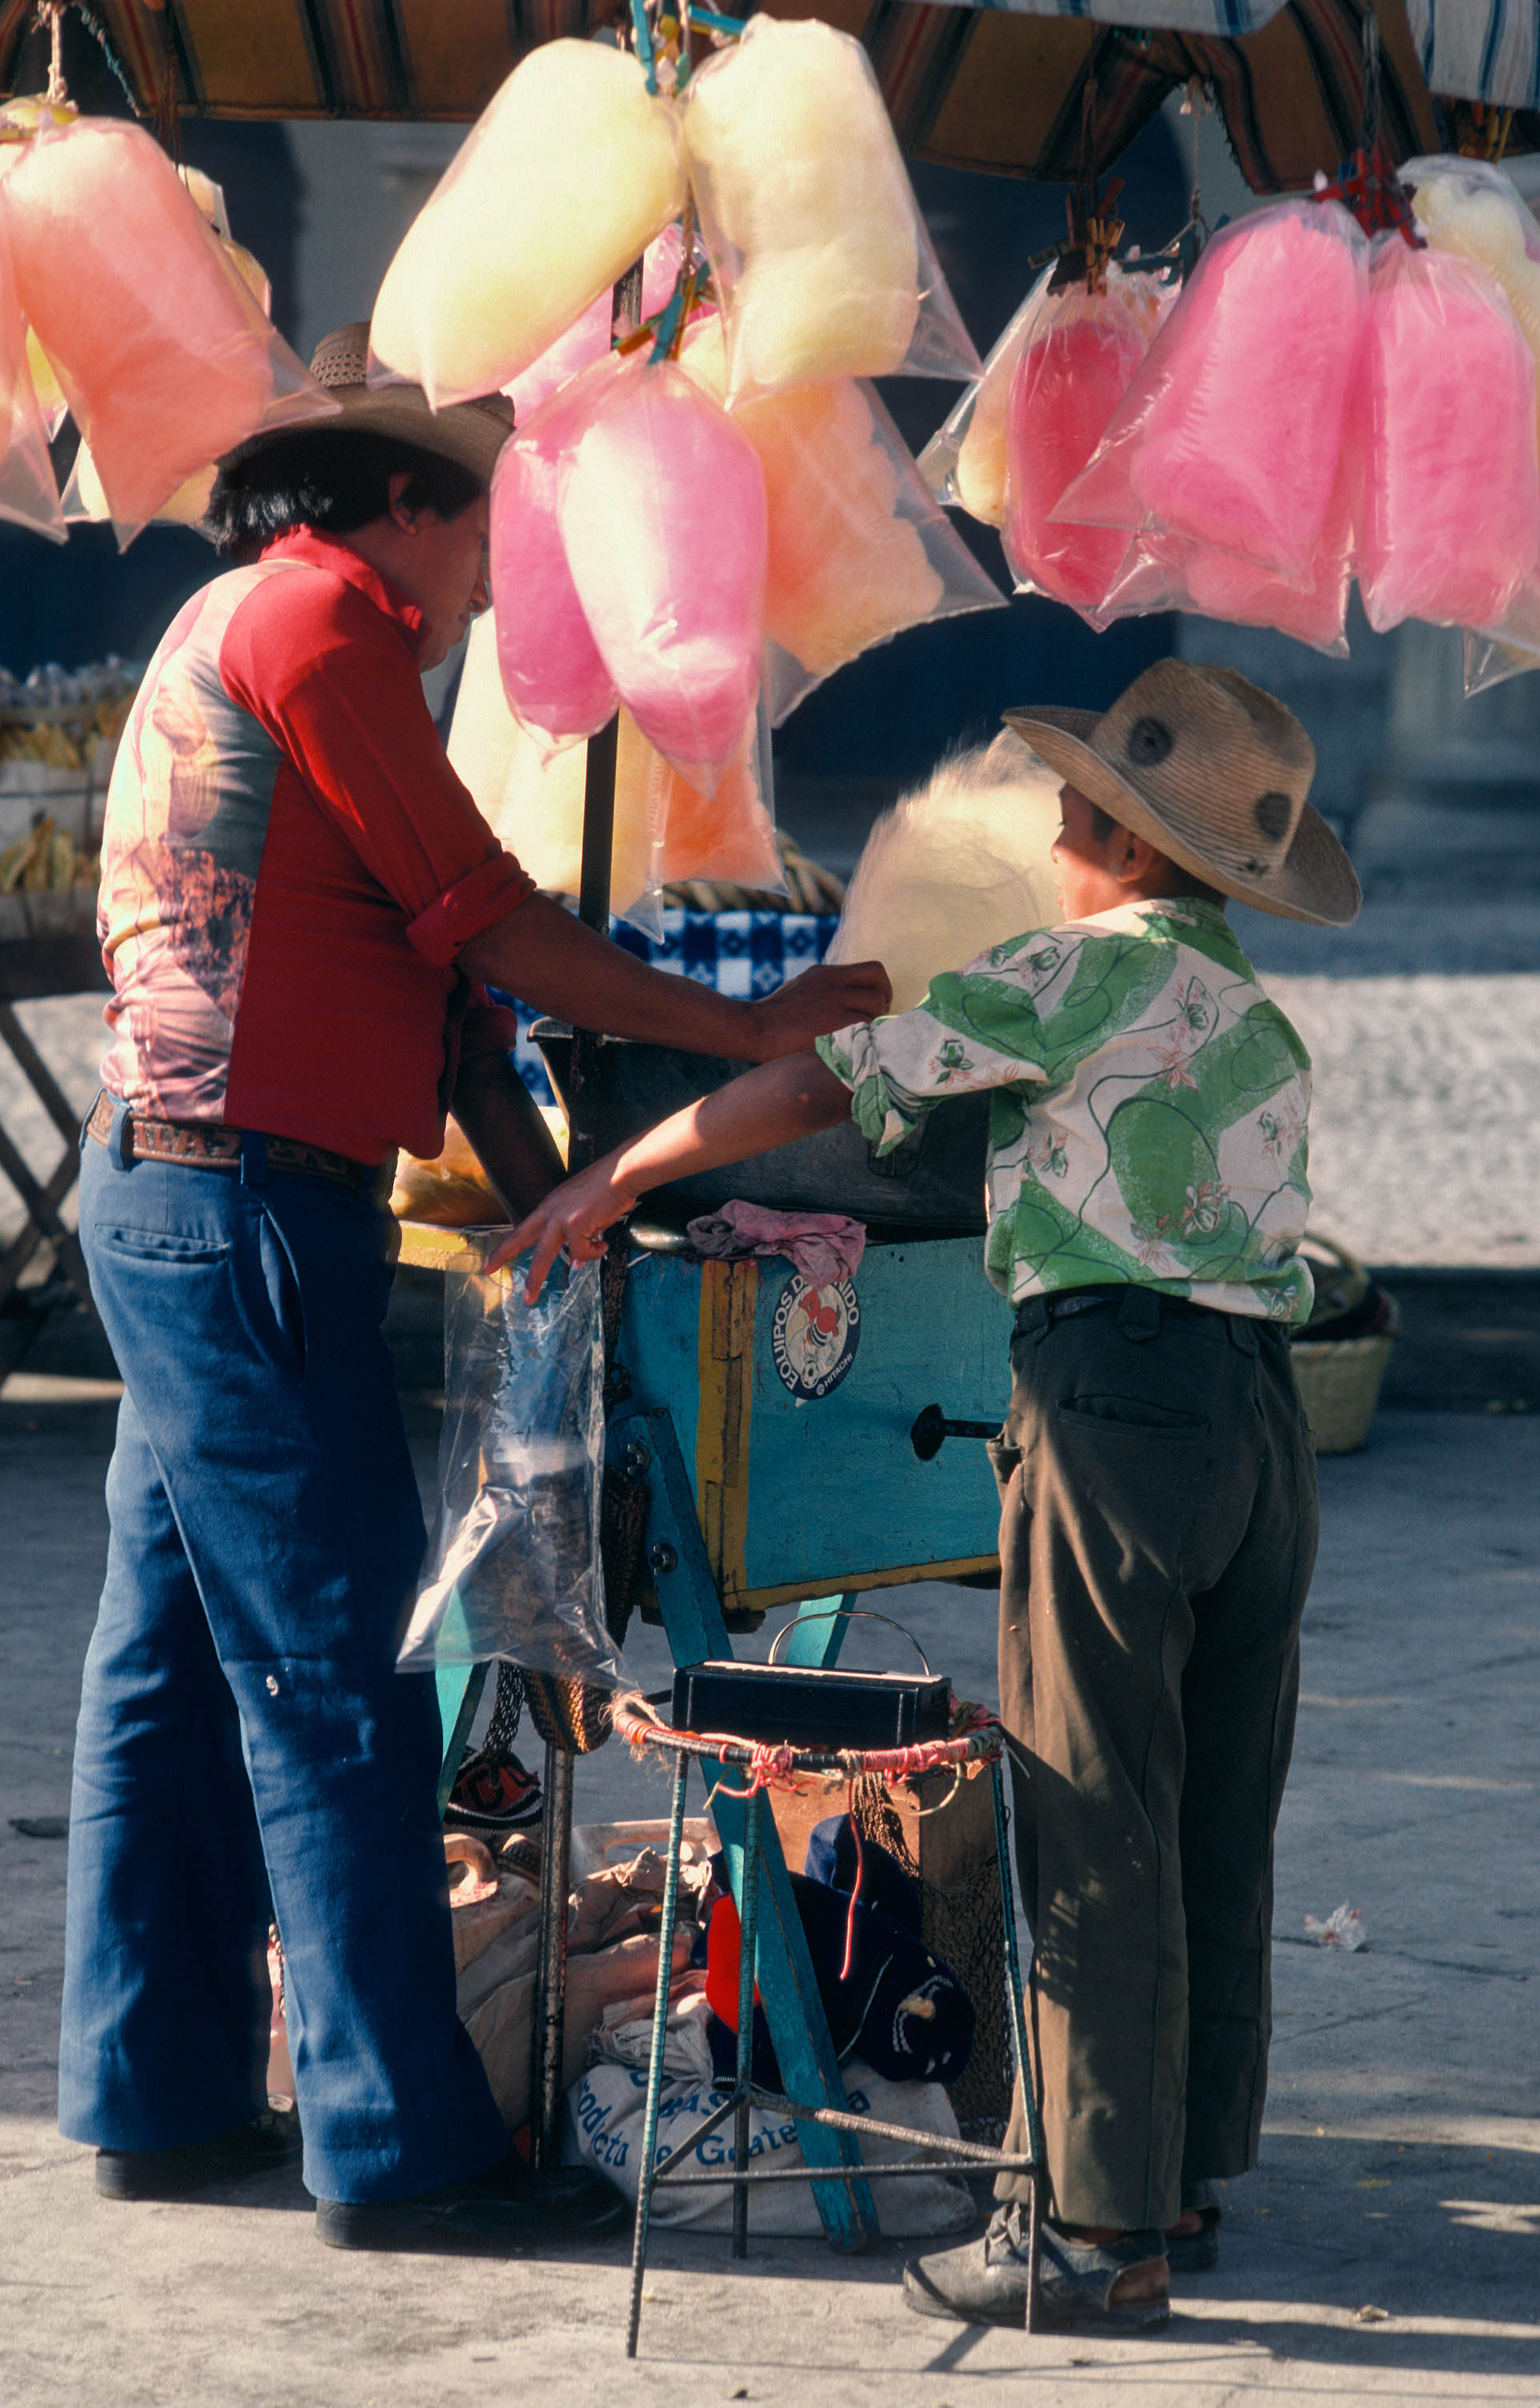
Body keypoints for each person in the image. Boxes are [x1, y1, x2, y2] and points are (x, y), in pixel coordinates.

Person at [63, 321, 889, 2253]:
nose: (498, 549)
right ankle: (396, 2145)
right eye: (487, 508)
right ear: (412, 507)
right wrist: (736, 1024)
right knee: (337, 1675)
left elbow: (432, 998)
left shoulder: (251, 624)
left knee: (172, 1665)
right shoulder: (323, 633)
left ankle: (160, 2098)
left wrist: (564, 1202)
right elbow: (491, 927)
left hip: (182, 1197)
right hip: (241, 1209)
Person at [490, 659, 1360, 2325]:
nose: (1052, 814)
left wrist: (622, 1169)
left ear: (1114, 837)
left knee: (1090, 1814)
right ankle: (1170, 2168)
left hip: (1118, 1414)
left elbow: (826, 1086)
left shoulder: (1066, 975)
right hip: (1261, 1432)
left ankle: (1090, 2240)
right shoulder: (1251, 1013)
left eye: (1079, 803)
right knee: (1208, 1811)